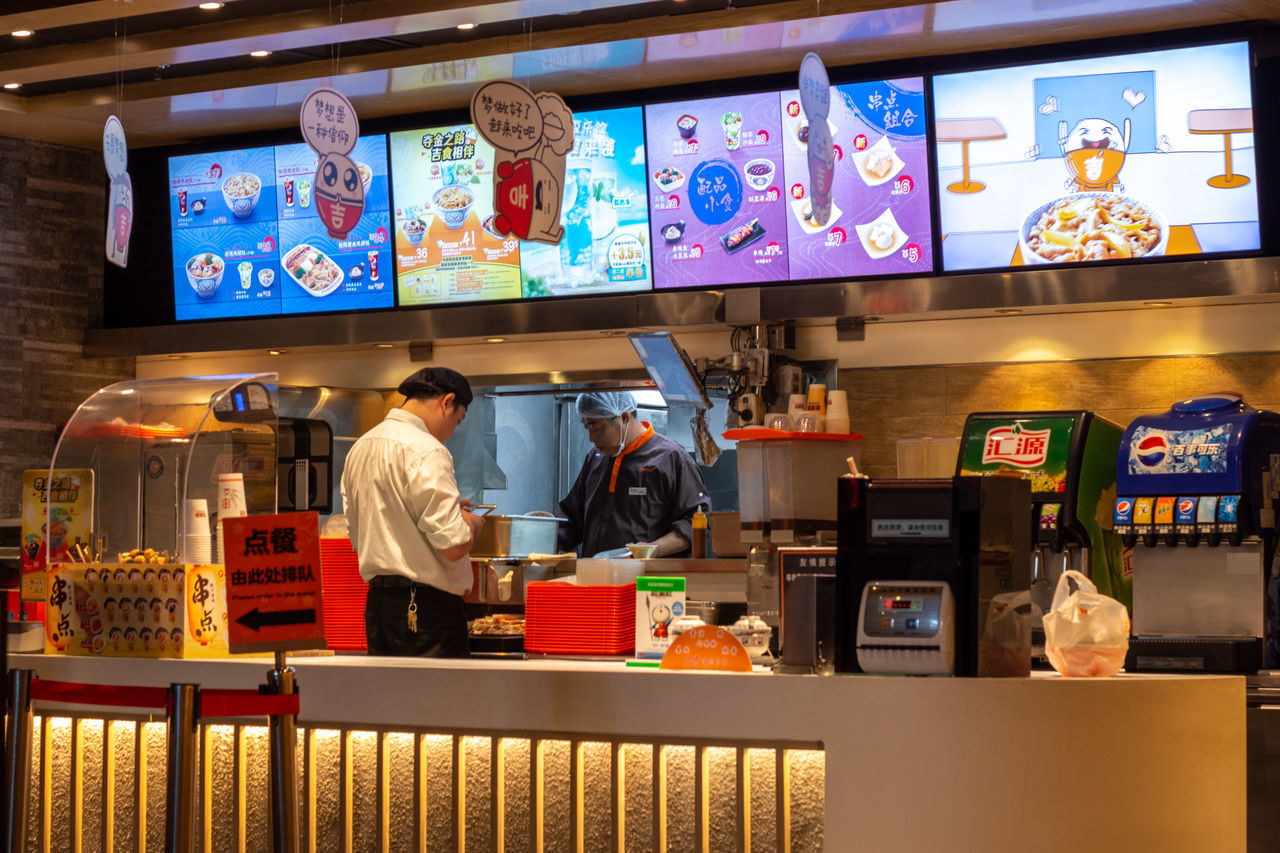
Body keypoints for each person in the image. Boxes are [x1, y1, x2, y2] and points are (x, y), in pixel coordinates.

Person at [340, 367, 486, 657]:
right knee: (436, 702)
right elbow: (454, 545)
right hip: (426, 612)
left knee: (388, 700)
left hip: (379, 608)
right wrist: (471, 523)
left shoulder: (361, 447)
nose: (451, 433)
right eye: (457, 421)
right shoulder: (427, 450)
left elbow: (360, 533)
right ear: (447, 402)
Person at [557, 391, 709, 558]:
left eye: (597, 428)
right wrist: (541, 535)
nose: (591, 438)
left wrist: (654, 549)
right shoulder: (595, 458)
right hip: (597, 576)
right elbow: (571, 518)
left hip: (650, 579)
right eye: (587, 427)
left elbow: (697, 520)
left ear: (624, 418)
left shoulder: (670, 457)